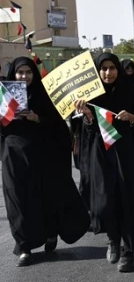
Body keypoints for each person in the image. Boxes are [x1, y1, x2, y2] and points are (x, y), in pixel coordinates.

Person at [2, 57, 90, 266]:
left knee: (45, 197)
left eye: (28, 72)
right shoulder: (4, 97)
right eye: (20, 73)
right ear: (13, 75)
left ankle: (51, 234)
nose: (24, 77)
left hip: (43, 156)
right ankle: (24, 246)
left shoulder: (44, 97)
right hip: (14, 157)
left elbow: (59, 126)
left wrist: (38, 119)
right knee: (18, 200)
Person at [75, 52, 134, 273]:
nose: (108, 73)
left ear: (118, 70)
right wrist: (88, 115)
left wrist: (133, 118)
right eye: (104, 69)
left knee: (126, 200)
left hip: (127, 155)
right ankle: (112, 239)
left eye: (112, 68)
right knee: (105, 201)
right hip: (101, 155)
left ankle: (128, 251)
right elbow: (87, 133)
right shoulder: (90, 96)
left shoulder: (131, 93)